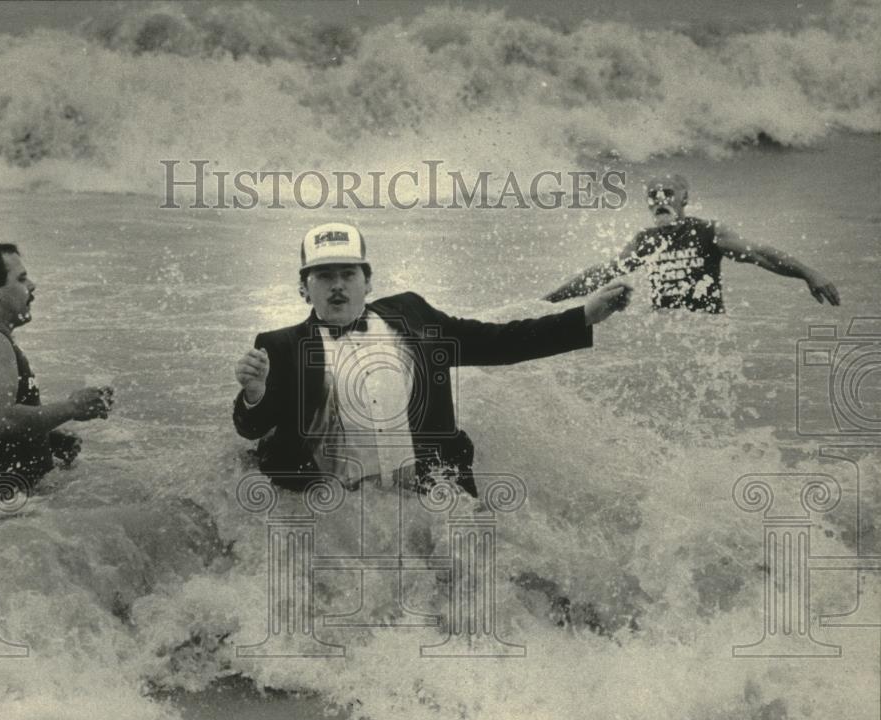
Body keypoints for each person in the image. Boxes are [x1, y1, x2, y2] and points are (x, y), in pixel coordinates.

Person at [233, 222, 631, 496]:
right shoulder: (280, 346)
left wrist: (585, 316)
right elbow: (253, 427)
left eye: (348, 274)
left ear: (367, 281)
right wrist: (254, 393)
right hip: (340, 507)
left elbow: (498, 343)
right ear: (305, 289)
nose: (337, 286)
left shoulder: (413, 315)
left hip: (432, 492)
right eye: (323, 276)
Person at [0, 244, 114, 499]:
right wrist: (72, 408)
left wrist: (46, 438)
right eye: (22, 279)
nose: (32, 285)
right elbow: (3, 420)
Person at [542, 173, 840, 312]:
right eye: (653, 195)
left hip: (705, 328)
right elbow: (606, 273)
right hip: (669, 330)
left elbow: (759, 255)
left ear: (684, 198)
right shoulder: (645, 240)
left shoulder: (708, 231)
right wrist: (550, 300)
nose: (660, 199)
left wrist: (808, 273)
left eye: (667, 193)